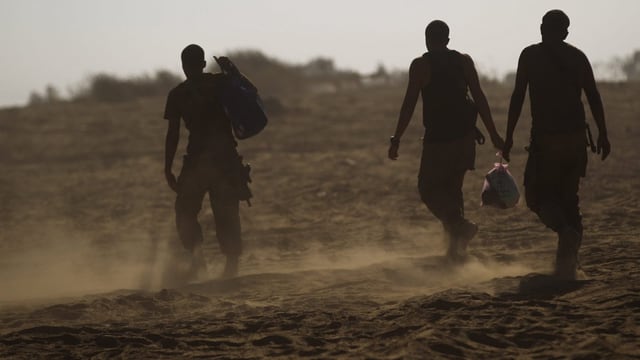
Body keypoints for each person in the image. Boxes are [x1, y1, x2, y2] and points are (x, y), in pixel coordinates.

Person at [502, 10, 611, 279]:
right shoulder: (578, 57)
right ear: (565, 32)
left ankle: (565, 234)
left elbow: (518, 97)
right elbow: (593, 97)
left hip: (547, 140)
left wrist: (508, 136)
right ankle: (567, 266)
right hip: (576, 139)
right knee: (569, 200)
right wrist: (603, 134)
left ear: (542, 28)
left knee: (537, 197)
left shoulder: (529, 56)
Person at [389, 20, 504, 260]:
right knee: (453, 190)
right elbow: (480, 98)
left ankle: (461, 227)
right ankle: (456, 252)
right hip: (464, 138)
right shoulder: (463, 61)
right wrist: (493, 134)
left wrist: (396, 138)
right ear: (448, 40)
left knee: (428, 189)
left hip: (439, 141)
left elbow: (409, 104)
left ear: (427, 40)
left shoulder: (420, 65)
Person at [164, 44, 245, 278]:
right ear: (202, 63)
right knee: (223, 212)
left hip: (203, 161)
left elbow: (173, 134)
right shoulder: (219, 83)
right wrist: (234, 74)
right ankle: (223, 265)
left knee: (188, 211)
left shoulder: (179, 93)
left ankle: (204, 261)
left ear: (186, 65)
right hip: (221, 159)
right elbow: (250, 92)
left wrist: (168, 168)